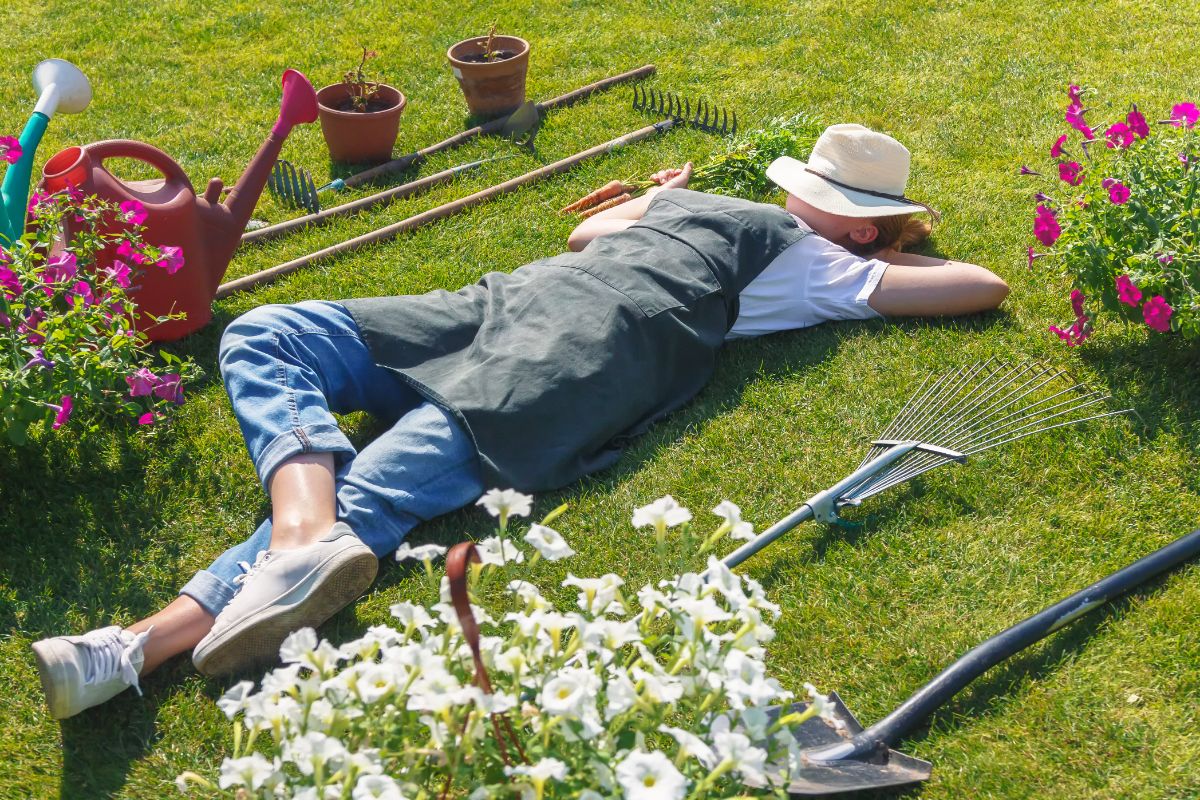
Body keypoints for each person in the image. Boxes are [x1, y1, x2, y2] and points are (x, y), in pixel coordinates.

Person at [30, 123, 1008, 719]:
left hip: (568, 360)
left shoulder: (821, 260)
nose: (798, 201)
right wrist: (658, 202)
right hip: (495, 305)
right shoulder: (722, 209)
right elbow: (586, 234)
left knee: (377, 487)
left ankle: (131, 649)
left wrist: (883, 257)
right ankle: (299, 533)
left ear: (858, 225)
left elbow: (982, 285)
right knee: (269, 332)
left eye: (823, 201)